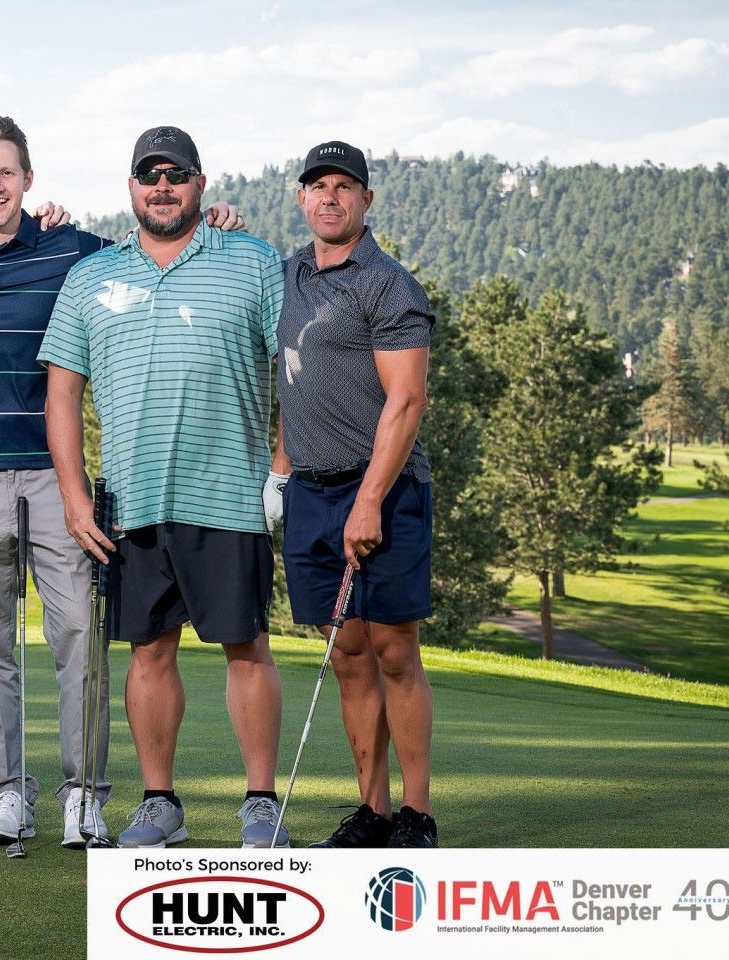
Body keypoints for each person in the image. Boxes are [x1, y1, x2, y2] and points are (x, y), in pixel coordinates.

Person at [0, 116, 245, 849]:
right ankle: (5, 794)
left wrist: (214, 225)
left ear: (29, 180)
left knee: (78, 638)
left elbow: (158, 245)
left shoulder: (75, 252)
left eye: (7, 172)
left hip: (55, 477)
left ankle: (84, 795)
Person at [39, 125, 288, 849]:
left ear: (199, 184)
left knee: (246, 647)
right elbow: (61, 393)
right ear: (130, 188)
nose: (162, 186)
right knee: (148, 651)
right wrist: (73, 494)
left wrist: (281, 468)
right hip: (131, 498)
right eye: (149, 175)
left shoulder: (251, 260)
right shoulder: (91, 276)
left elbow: (296, 371)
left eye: (175, 174)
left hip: (231, 494)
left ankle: (261, 804)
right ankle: (159, 805)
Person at [267, 140, 438, 848]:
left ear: (366, 200)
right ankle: (370, 811)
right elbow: (290, 384)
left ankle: (415, 814)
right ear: (301, 198)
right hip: (310, 489)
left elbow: (405, 401)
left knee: (394, 648)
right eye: (317, 186)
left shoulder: (386, 283)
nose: (329, 197)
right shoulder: (284, 276)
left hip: (387, 490)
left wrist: (368, 501)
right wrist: (278, 477)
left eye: (344, 186)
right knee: (347, 651)